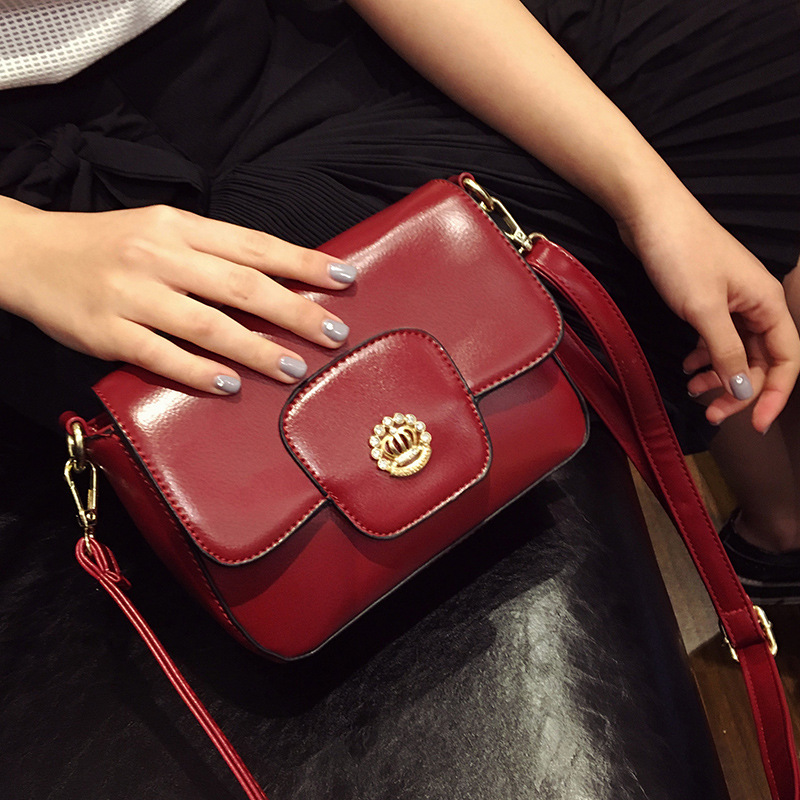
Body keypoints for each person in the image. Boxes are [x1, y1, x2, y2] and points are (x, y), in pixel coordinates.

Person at [1, 0, 799, 598]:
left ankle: (777, 528)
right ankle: (776, 529)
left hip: (272, 30)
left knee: (752, 63)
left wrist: (649, 199)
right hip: (44, 201)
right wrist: (24, 249)